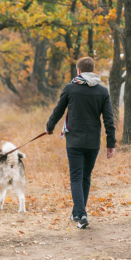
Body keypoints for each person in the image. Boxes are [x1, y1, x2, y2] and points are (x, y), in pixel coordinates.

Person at [45, 57, 116, 229]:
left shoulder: (70, 88)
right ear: (92, 70)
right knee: (85, 177)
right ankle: (78, 212)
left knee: (76, 178)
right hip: (93, 142)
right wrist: (110, 143)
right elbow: (109, 119)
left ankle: (81, 214)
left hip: (74, 141)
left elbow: (58, 110)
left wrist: (50, 126)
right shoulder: (102, 91)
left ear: (78, 71)